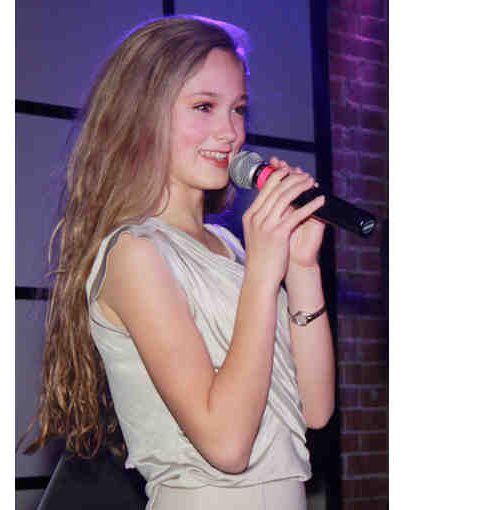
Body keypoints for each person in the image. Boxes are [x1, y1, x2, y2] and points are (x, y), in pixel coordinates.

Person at [23, 15, 335, 510]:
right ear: (142, 114)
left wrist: (301, 268)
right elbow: (227, 445)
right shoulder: (134, 253)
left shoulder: (229, 248)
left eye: (238, 109)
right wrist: (263, 273)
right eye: (204, 106)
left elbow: (315, 410)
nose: (230, 132)